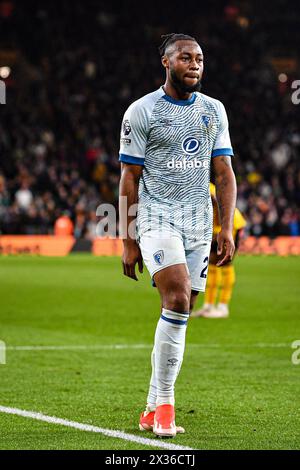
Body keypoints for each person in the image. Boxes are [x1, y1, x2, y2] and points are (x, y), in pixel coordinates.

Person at [119, 33, 237, 438]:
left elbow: (223, 173)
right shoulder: (142, 111)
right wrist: (129, 238)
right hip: (156, 218)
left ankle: (151, 407)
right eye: (185, 57)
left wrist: (225, 226)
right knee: (177, 296)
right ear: (166, 63)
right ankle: (167, 406)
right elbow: (128, 178)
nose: (195, 64)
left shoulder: (214, 111)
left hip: (199, 224)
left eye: (200, 58)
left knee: (181, 310)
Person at [192, 183, 246, 318]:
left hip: (228, 224)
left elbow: (215, 201)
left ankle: (223, 307)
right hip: (219, 226)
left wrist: (220, 228)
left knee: (225, 263)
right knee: (211, 264)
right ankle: (209, 306)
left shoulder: (204, 186)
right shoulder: (204, 183)